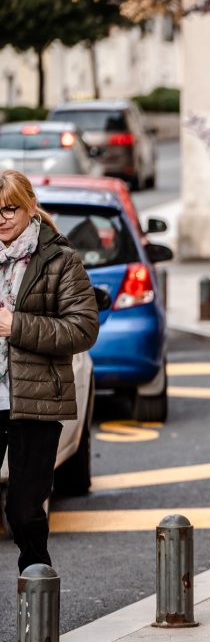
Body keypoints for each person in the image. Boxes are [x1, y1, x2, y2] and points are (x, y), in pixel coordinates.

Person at [0, 170, 100, 573]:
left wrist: (16, 325)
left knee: (24, 514)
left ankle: (38, 599)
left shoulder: (60, 260)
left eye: (11, 208)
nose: (3, 217)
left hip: (36, 402)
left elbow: (83, 328)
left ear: (29, 207)